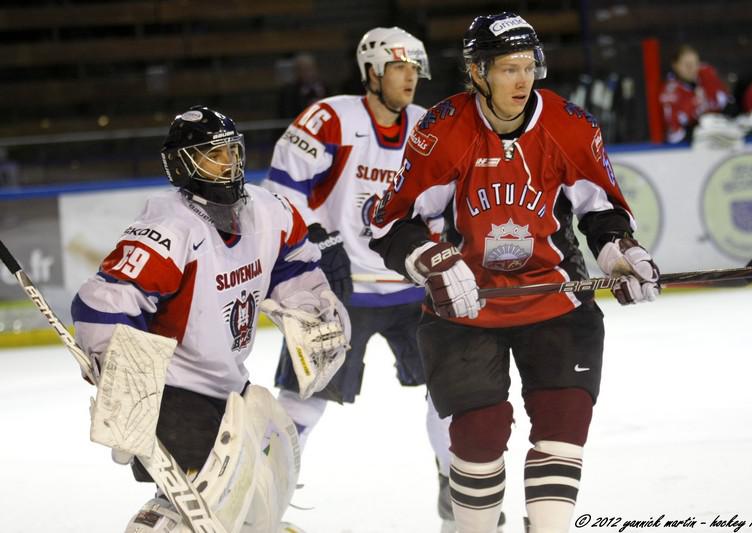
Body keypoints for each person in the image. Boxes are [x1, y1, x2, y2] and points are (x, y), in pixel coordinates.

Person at [369, 12, 660, 533]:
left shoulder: (570, 125)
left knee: (564, 421)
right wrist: (431, 260)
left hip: (556, 301)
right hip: (467, 307)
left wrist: (619, 251)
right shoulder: (441, 130)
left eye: (528, 66)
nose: (522, 80)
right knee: (480, 435)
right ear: (477, 72)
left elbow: (600, 211)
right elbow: (392, 224)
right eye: (507, 69)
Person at [71, 105, 350, 533]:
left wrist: (310, 309)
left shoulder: (268, 208)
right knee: (204, 498)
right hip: (173, 391)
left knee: (249, 494)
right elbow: (103, 303)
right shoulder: (171, 224)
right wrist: (122, 383)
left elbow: (294, 267)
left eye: (231, 152)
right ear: (182, 165)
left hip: (231, 388)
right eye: (210, 155)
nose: (227, 164)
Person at [264, 27, 477, 532]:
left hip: (415, 285)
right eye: (399, 68)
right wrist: (312, 244)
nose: (411, 78)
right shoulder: (329, 119)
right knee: (300, 405)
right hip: (337, 290)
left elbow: (455, 200)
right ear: (372, 72)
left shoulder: (430, 126)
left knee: (455, 399)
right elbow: (280, 195)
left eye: (415, 68)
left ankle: (464, 512)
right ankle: (260, 506)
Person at [659, 44, 733, 143]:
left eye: (695, 63)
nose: (691, 68)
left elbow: (727, 104)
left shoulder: (707, 74)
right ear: (675, 65)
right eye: (686, 64)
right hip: (690, 144)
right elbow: (675, 135)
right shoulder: (670, 93)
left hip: (720, 135)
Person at [277, 53, 328, 118]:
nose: (308, 73)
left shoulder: (325, 87)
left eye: (310, 69)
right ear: (297, 72)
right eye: (304, 70)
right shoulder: (289, 92)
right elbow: (287, 114)